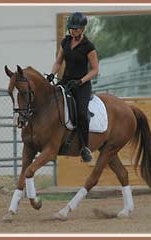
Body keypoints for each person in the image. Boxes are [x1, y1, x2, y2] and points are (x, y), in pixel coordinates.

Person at [47, 12, 99, 162]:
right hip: (66, 82)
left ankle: (85, 147)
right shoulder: (65, 42)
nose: (74, 31)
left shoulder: (88, 46)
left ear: (82, 29)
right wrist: (52, 74)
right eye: (72, 28)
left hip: (81, 85)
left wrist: (81, 81)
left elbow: (95, 70)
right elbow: (58, 62)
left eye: (77, 29)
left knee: (82, 114)